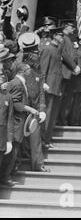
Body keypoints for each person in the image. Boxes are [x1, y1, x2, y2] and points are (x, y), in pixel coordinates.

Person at [17, 32, 49, 172]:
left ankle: (38, 164)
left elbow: (41, 91)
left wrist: (42, 109)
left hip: (34, 109)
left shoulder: (38, 69)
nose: (38, 56)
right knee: (17, 139)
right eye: (36, 53)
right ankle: (15, 166)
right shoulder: (17, 67)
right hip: (19, 107)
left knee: (35, 137)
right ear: (29, 54)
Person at [40, 26, 65, 148]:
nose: (62, 38)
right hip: (49, 87)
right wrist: (43, 82)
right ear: (55, 36)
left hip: (55, 87)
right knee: (47, 115)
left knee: (52, 115)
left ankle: (47, 140)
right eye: (60, 35)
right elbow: (43, 67)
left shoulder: (56, 50)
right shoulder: (48, 49)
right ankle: (43, 140)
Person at [58, 23, 81, 126]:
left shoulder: (68, 39)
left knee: (65, 98)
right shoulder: (63, 38)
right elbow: (64, 53)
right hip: (64, 72)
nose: (73, 29)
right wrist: (73, 66)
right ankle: (58, 119)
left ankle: (62, 119)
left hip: (68, 73)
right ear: (66, 27)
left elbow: (71, 54)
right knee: (60, 97)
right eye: (72, 27)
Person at [0, 69, 14, 186]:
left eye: (3, 75)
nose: (2, 77)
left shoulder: (7, 97)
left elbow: (10, 119)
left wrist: (9, 140)